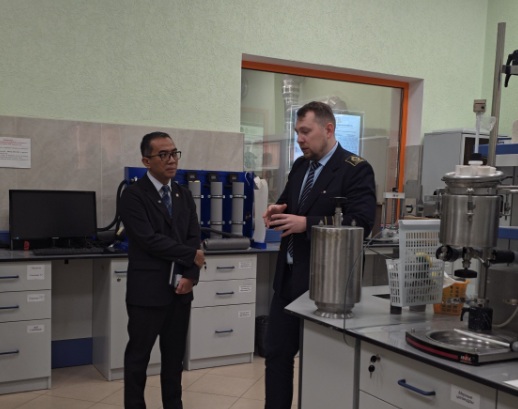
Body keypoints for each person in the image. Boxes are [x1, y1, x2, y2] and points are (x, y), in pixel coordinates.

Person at [262, 101, 377, 409]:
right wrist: (277, 209)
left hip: (326, 286)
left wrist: (307, 224)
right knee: (276, 355)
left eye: (305, 131)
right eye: (297, 132)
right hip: (287, 280)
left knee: (321, 363)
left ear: (328, 129)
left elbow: (361, 222)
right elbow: (289, 204)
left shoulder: (355, 169)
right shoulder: (301, 166)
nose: (300, 139)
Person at [119, 131, 205, 409]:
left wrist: (191, 276)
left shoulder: (183, 195)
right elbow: (149, 240)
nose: (172, 160)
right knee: (138, 359)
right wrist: (191, 255)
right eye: (163, 155)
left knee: (174, 361)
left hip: (180, 292)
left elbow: (194, 236)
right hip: (147, 294)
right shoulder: (133, 196)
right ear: (146, 161)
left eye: (174, 153)